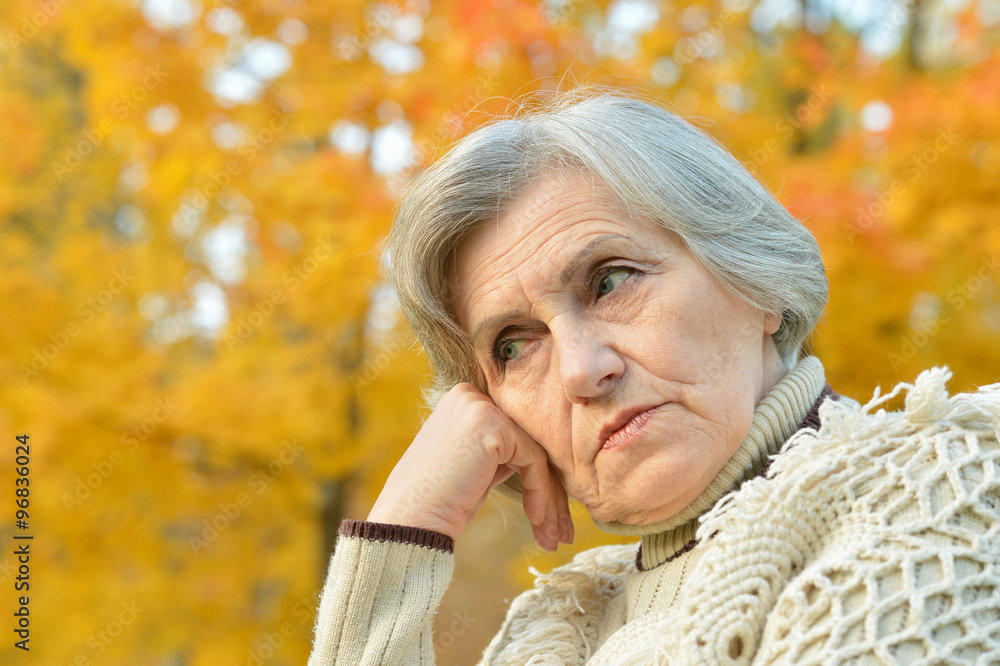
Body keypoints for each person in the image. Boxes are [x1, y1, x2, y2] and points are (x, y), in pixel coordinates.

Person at [307, 90, 1000, 665]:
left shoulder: (940, 492)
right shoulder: (555, 628)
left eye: (611, 281)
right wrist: (404, 531)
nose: (582, 371)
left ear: (754, 281)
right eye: (515, 347)